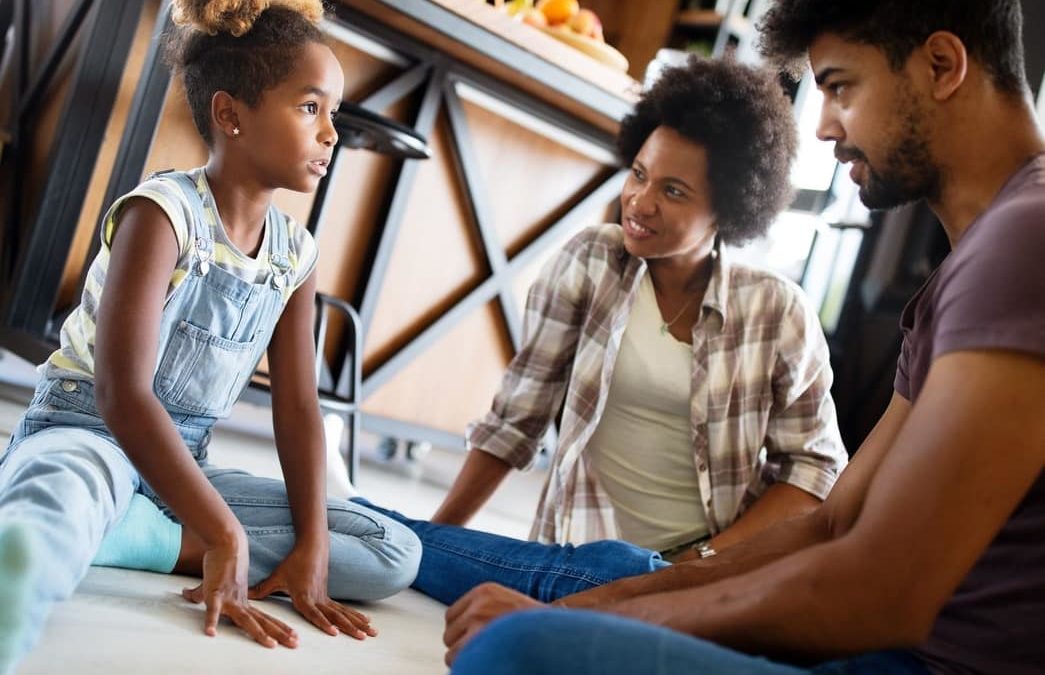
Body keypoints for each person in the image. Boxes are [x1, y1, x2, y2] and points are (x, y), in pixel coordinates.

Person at [93, 55, 849, 610]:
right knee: (393, 541)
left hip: (700, 574)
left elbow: (812, 478)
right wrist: (437, 538)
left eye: (673, 191)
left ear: (734, 211)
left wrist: (699, 571)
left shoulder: (775, 313)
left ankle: (185, 512)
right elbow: (513, 425)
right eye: (640, 173)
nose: (639, 202)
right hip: (566, 555)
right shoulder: (591, 262)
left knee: (393, 537)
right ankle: (223, 510)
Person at [439, 1, 1045, 674]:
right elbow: (831, 523)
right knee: (594, 573)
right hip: (888, 643)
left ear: (940, 65)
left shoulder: (1023, 240)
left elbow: (877, 593)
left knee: (517, 646)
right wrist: (607, 601)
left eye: (841, 87)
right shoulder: (969, 264)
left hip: (919, 663)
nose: (822, 127)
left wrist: (578, 619)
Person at [0, 1, 422, 671]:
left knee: (390, 550)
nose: (331, 134)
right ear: (231, 115)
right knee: (65, 489)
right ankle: (41, 541)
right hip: (89, 431)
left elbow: (298, 407)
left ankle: (129, 535)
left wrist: (312, 540)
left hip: (181, 468)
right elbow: (120, 393)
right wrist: (224, 530)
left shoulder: (293, 253)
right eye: (311, 107)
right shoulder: (162, 214)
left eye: (334, 112)